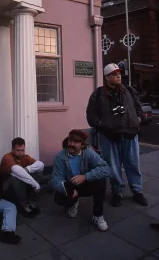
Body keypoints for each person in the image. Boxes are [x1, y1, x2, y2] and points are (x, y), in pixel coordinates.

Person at [86, 63, 148, 207]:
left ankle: (137, 191)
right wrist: (103, 125)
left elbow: (139, 109)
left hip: (130, 135)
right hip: (109, 137)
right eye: (114, 74)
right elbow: (91, 117)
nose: (118, 76)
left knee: (133, 165)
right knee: (113, 167)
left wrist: (137, 120)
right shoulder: (98, 94)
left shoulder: (129, 91)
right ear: (107, 77)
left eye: (119, 73)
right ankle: (117, 192)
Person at [52, 129, 111, 232]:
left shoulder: (88, 152)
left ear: (82, 144)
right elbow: (56, 179)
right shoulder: (60, 156)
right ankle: (74, 202)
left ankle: (98, 215)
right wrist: (69, 190)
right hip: (70, 185)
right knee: (58, 198)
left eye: (75, 142)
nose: (71, 144)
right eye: (70, 141)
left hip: (86, 182)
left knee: (101, 181)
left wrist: (86, 176)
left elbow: (106, 169)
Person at [0, 137, 44, 217]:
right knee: (15, 175)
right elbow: (16, 170)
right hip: (6, 187)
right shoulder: (7, 157)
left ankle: (30, 200)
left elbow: (40, 164)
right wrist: (35, 184)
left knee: (37, 172)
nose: (20, 153)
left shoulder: (25, 157)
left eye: (22, 150)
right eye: (18, 150)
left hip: (19, 185)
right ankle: (23, 204)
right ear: (12, 149)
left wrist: (27, 169)